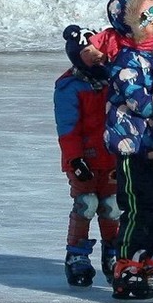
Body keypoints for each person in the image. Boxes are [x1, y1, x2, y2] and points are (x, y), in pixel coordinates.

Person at [89, 0, 153, 300]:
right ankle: (126, 263)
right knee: (136, 207)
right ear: (131, 25)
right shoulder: (125, 60)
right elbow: (142, 102)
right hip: (131, 147)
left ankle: (151, 261)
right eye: (148, 21)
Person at [54, 25, 120, 287]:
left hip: (112, 157)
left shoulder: (114, 78)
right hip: (83, 160)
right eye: (86, 51)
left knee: (112, 207)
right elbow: (67, 128)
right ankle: (77, 255)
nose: (94, 54)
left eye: (96, 48)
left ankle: (113, 253)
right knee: (86, 204)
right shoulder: (70, 86)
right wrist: (75, 159)